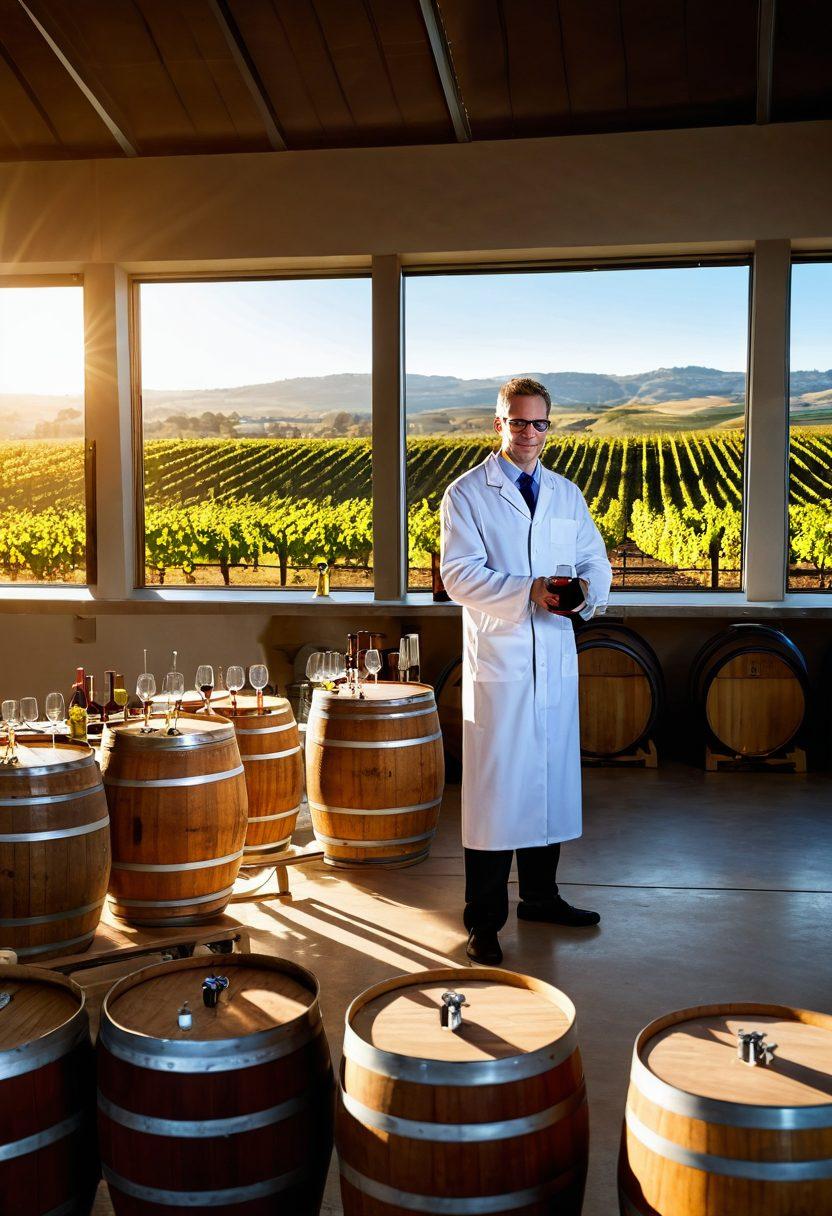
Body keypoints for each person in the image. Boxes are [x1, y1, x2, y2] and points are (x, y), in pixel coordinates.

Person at [440, 377, 613, 965]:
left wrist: (584, 589)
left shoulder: (566, 494)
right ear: (499, 424)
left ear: (549, 427)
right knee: (496, 797)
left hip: (554, 661)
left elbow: (595, 558)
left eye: (539, 423)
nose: (529, 433)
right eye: (518, 422)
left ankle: (541, 897)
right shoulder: (467, 493)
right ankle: (483, 923)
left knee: (548, 785)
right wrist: (528, 590)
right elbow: (459, 575)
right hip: (502, 664)